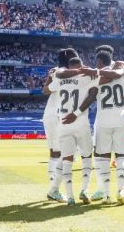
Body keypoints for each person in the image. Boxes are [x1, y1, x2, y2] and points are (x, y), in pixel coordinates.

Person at [87, 50, 124, 205]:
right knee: (121, 157)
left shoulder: (98, 76)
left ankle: (107, 195)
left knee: (102, 159)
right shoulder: (122, 75)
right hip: (119, 122)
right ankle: (121, 190)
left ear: (100, 63)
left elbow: (90, 93)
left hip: (102, 123)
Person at [46, 57, 97, 206]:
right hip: (80, 123)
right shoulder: (87, 76)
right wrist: (76, 113)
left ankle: (70, 198)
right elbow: (92, 96)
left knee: (67, 159)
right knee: (87, 157)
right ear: (80, 65)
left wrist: (52, 75)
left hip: (63, 124)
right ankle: (84, 190)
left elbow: (46, 90)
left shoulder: (60, 76)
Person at [43, 48, 78, 203]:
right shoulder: (66, 72)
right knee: (66, 153)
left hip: (50, 115)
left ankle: (53, 186)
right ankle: (54, 189)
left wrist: (49, 78)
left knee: (55, 152)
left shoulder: (55, 71)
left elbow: (45, 91)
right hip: (59, 115)